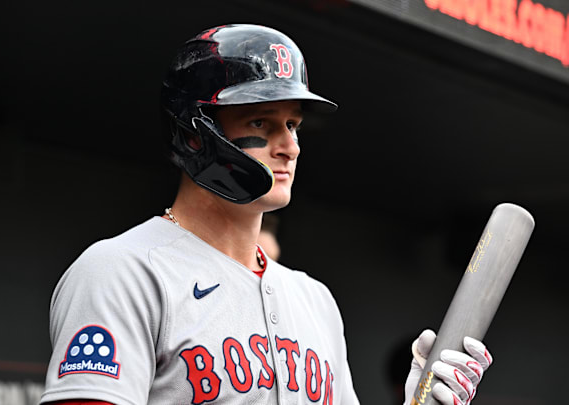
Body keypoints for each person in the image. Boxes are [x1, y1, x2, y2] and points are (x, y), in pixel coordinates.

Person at [39, 24, 493, 405]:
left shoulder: (314, 300)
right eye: (262, 123)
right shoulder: (122, 272)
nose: (290, 146)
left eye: (293, 125)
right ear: (196, 136)